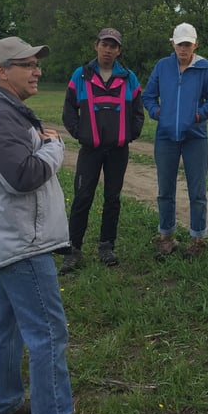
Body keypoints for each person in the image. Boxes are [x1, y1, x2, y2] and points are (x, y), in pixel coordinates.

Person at [0, 37, 102, 414]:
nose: (37, 71)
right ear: (1, 72)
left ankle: (5, 404)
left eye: (36, 64)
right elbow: (23, 176)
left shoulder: (7, 112)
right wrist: (54, 148)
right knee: (48, 331)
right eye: (26, 64)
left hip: (14, 239)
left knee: (6, 325)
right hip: (22, 244)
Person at [59, 27, 144, 273]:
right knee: (82, 196)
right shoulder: (81, 75)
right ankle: (73, 249)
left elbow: (138, 111)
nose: (108, 50)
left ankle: (107, 246)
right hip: (90, 150)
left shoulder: (128, 77)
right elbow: (68, 109)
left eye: (113, 46)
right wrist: (81, 133)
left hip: (118, 150)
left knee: (112, 198)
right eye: (104, 44)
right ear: (96, 46)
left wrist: (131, 134)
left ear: (119, 50)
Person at [143, 23, 208, 259]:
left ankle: (198, 238)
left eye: (188, 44)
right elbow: (148, 96)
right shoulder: (163, 66)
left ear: (195, 45)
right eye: (180, 44)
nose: (183, 48)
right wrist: (158, 112)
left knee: (197, 191)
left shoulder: (204, 68)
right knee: (164, 189)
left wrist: (198, 115)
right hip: (166, 136)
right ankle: (166, 236)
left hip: (195, 137)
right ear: (173, 44)